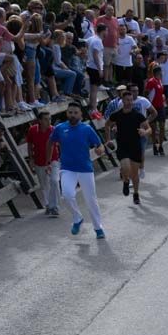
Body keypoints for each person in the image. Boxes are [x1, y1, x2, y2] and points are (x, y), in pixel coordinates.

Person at [51, 101, 106, 238]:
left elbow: (99, 145)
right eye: (70, 112)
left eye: (76, 112)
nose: (73, 115)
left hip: (85, 169)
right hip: (67, 169)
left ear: (81, 114)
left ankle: (98, 228)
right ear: (66, 113)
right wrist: (48, 161)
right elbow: (51, 142)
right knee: (67, 195)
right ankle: (77, 218)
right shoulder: (59, 128)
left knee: (91, 200)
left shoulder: (87, 129)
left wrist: (99, 149)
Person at [107, 89, 151, 204]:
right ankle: (126, 181)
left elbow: (149, 129)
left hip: (135, 146)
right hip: (122, 146)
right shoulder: (116, 115)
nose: (130, 102)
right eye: (127, 100)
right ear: (122, 100)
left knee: (134, 174)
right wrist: (108, 140)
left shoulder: (138, 115)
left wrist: (144, 132)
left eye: (131, 100)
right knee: (126, 168)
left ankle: (136, 194)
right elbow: (107, 125)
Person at [27, 110, 59, 216]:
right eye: (46, 119)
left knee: (54, 181)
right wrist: (31, 159)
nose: (49, 121)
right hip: (39, 161)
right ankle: (48, 205)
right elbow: (29, 144)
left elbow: (59, 144)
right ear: (39, 121)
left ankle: (55, 206)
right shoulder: (32, 130)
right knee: (44, 184)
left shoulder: (53, 130)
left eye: (50, 119)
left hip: (53, 159)